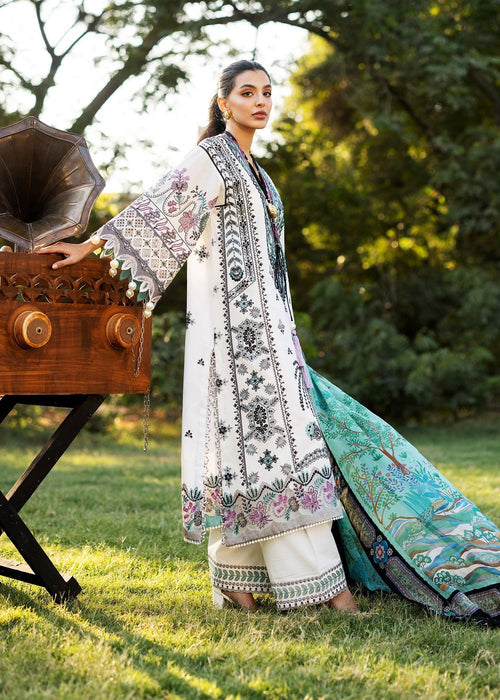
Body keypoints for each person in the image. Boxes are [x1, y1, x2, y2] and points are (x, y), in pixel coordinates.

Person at [39, 60, 500, 625]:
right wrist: (90, 247)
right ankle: (325, 589)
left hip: (271, 334)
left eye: (267, 92)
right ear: (224, 103)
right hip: (238, 339)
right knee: (283, 451)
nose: (260, 101)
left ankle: (237, 580)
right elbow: (157, 211)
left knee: (251, 454)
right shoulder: (213, 157)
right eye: (247, 93)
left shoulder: (258, 172)